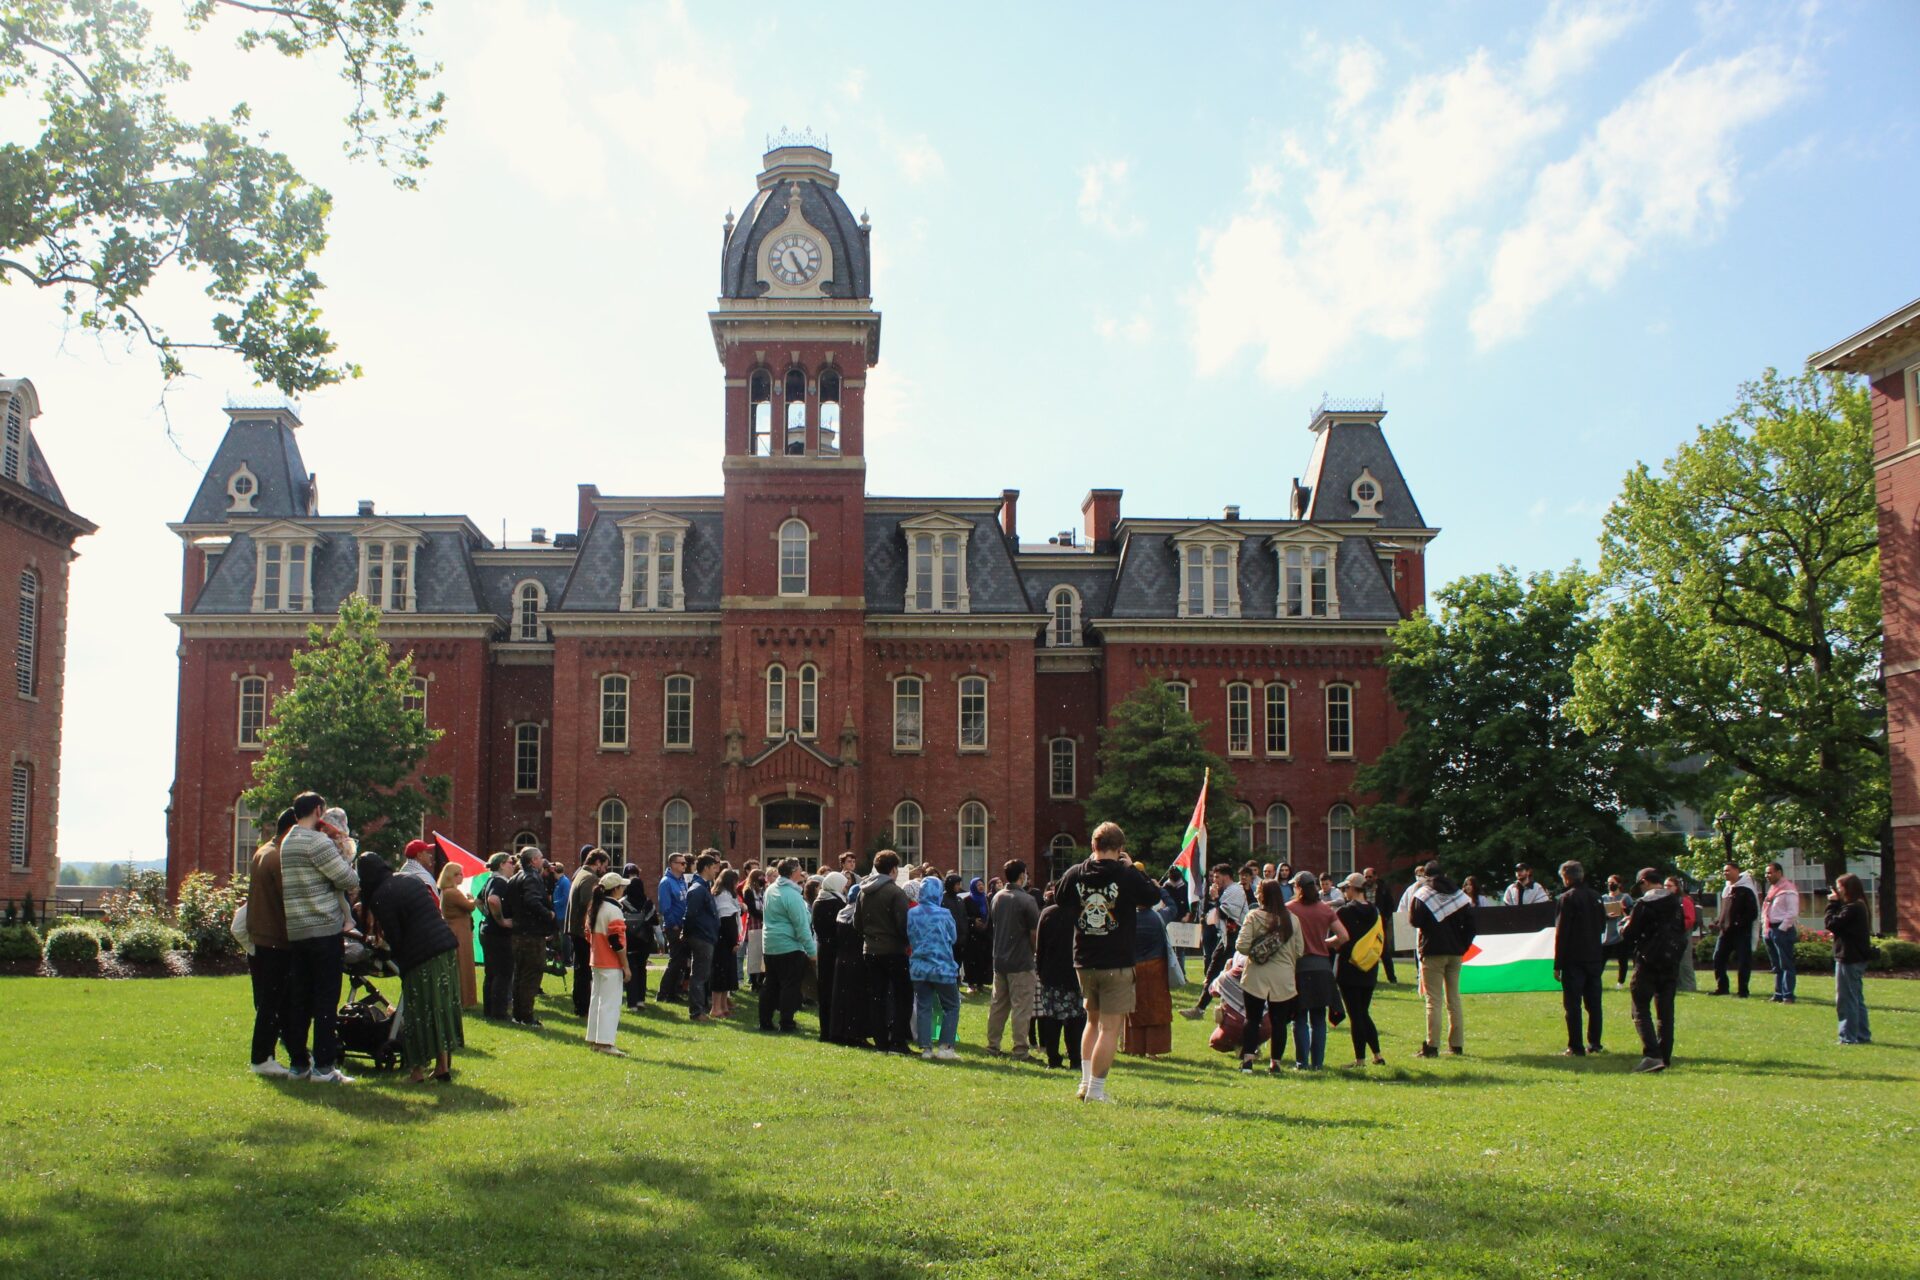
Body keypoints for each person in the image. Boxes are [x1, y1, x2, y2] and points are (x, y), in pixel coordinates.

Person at [1053, 822, 1162, 1102]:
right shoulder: (1126, 875)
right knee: (1110, 1028)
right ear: (1121, 848)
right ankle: (1097, 1091)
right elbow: (1152, 896)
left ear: (1093, 846)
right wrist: (1136, 870)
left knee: (1092, 1021)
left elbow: (1059, 897)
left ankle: (1084, 1083)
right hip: (1116, 961)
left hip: (1084, 960)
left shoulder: (1076, 872)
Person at [356, 851, 463, 1082]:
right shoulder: (407, 880)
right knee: (440, 1008)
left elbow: (395, 936)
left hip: (422, 956)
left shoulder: (380, 895)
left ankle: (417, 1071)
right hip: (445, 948)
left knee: (419, 1011)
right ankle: (442, 1067)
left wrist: (386, 949)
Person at [280, 792, 361, 1084]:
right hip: (324, 929)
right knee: (326, 1000)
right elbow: (349, 880)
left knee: (300, 1000)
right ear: (318, 810)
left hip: (297, 930)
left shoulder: (287, 842)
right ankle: (324, 1067)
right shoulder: (318, 842)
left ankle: (298, 1064)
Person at [244, 808, 300, 1077]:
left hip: (262, 938)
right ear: (291, 829)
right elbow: (288, 899)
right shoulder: (278, 858)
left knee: (274, 1001)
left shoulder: (264, 851)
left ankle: (286, 1054)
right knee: (273, 1001)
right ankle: (262, 1058)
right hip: (276, 939)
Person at [1619, 866, 1686, 1072]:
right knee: (1666, 1011)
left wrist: (1624, 924)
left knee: (1639, 1008)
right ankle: (1664, 1056)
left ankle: (1652, 1055)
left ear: (1644, 882)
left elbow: (1630, 934)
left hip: (1647, 961)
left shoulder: (1644, 904)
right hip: (1671, 962)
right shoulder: (1675, 903)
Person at [1235, 879, 1305, 1073]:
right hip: (1283, 978)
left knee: (1252, 1018)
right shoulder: (1292, 919)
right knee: (1279, 1022)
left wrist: (1258, 950)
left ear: (1262, 895)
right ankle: (1276, 1063)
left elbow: (1241, 946)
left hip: (1256, 975)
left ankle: (1248, 1060)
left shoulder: (1254, 916)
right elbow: (1300, 950)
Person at [1409, 860, 1474, 1058]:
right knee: (1454, 999)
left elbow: (1414, 921)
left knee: (1433, 1001)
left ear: (1426, 876)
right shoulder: (1459, 895)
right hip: (1455, 953)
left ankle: (1432, 1046)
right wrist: (1462, 946)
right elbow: (1472, 926)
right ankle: (1456, 1045)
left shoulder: (1423, 894)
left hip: (1432, 951)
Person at [1284, 870, 1349, 1070]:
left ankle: (1301, 1062)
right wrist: (1324, 944)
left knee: (1299, 1018)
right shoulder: (1325, 909)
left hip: (1299, 967)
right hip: (1322, 968)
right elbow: (1344, 936)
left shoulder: (1289, 908)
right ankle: (1318, 1063)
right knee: (1319, 1019)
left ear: (1298, 888)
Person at [857, 850, 913, 1053]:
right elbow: (902, 924)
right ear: (893, 870)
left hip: (870, 950)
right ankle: (898, 1040)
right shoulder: (895, 892)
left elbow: (858, 922)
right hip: (893, 950)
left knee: (877, 997)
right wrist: (906, 941)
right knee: (903, 996)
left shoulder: (863, 890)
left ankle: (880, 1042)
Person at [987, 860, 1041, 1060]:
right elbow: (1034, 933)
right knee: (1021, 1007)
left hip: (999, 959)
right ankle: (1020, 1049)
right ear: (1021, 875)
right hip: (1021, 960)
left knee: (998, 1005)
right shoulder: (1027, 900)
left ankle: (992, 1046)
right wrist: (1036, 953)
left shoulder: (997, 897)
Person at [1553, 860, 1606, 1057]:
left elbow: (1562, 932)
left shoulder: (1567, 898)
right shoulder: (1596, 897)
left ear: (1566, 877)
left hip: (1573, 958)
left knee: (1573, 1004)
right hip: (1594, 955)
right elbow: (1602, 925)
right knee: (1594, 1003)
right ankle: (1595, 1043)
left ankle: (1575, 1046)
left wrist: (1558, 963)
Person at [907, 874, 962, 1059]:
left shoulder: (912, 913)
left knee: (924, 1006)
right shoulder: (944, 914)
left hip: (919, 967)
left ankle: (926, 1048)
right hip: (942, 967)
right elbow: (953, 938)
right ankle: (946, 1047)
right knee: (952, 1005)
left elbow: (908, 936)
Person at [760, 858, 816, 1033]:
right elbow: (801, 926)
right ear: (793, 872)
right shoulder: (792, 895)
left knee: (771, 984)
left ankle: (765, 1021)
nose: (801, 871)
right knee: (789, 986)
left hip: (770, 944)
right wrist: (812, 951)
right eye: (799, 868)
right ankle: (786, 1023)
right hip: (789, 946)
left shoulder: (771, 890)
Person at [1335, 872, 1385, 1066]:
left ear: (1352, 889)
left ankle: (1360, 1060)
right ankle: (1377, 1055)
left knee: (1356, 1014)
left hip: (1349, 967)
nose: (1344, 892)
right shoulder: (1375, 911)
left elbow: (1340, 940)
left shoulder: (1344, 912)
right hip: (1370, 967)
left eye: (1345, 888)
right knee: (1363, 1012)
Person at [1183, 865, 1247, 1018]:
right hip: (1226, 938)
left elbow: (1228, 914)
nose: (1214, 880)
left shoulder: (1235, 891)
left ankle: (1212, 1009)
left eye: (1217, 877)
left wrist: (1216, 898)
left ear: (1226, 876)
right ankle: (1201, 1008)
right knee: (1213, 970)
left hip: (1235, 940)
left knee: (1225, 974)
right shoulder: (1228, 891)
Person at [504, 847, 556, 1027]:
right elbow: (532, 900)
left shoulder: (514, 878)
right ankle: (526, 1016)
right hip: (531, 934)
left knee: (519, 975)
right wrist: (547, 914)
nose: (543, 861)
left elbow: (508, 905)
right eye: (541, 858)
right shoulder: (531, 877)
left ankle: (518, 1015)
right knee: (531, 975)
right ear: (533, 860)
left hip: (518, 932)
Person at [1035, 893, 1085, 1070]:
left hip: (1051, 972)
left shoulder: (1048, 913)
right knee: (1076, 1020)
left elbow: (1039, 945)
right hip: (1075, 973)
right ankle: (1076, 1059)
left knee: (1051, 1019)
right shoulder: (1081, 913)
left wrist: (1040, 970)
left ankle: (1053, 1059)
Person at [583, 871, 630, 1055]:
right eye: (621, 886)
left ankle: (595, 1039)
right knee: (610, 1003)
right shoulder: (614, 910)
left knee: (597, 1001)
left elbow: (588, 935)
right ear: (616, 889)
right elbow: (617, 942)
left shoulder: (595, 906)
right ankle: (605, 1043)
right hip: (610, 962)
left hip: (596, 960)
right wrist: (625, 965)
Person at [1125, 895, 1176, 1057]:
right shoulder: (1159, 916)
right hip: (1156, 967)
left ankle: (1135, 1048)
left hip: (1135, 966)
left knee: (1135, 1007)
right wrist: (1161, 890)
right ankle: (1154, 1049)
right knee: (1157, 1008)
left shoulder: (1128, 918)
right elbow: (1173, 907)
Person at [1826, 873, 1874, 1045]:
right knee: (1856, 997)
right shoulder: (1859, 906)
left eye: (1840, 888)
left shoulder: (1852, 908)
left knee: (1846, 999)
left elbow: (1831, 923)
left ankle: (1848, 1037)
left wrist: (1832, 904)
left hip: (1849, 957)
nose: (1838, 891)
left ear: (1848, 889)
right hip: (1856, 957)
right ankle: (1862, 1034)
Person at [566, 848, 611, 1018]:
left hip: (577, 929)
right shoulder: (589, 878)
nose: (604, 870)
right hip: (582, 931)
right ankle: (583, 1008)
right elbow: (589, 903)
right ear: (597, 862)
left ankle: (581, 1005)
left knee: (581, 970)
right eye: (604, 866)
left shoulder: (580, 874)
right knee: (584, 971)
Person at [828, 880, 870, 1046]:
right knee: (856, 999)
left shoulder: (842, 912)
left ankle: (839, 1031)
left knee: (841, 998)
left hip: (842, 959)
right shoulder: (859, 914)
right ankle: (855, 1034)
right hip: (857, 959)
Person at [1709, 864, 1759, 998]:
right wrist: (1718, 922)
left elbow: (1752, 913)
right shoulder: (1727, 889)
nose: (1725, 873)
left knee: (1743, 961)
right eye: (1724, 871)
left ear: (1737, 871)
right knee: (1718, 958)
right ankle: (1722, 987)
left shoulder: (1746, 890)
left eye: (1728, 870)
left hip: (1741, 933)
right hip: (1725, 933)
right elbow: (1725, 911)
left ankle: (1743, 991)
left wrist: (1737, 923)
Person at [682, 851, 720, 1023]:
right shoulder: (698, 889)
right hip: (701, 937)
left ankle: (700, 1009)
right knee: (699, 976)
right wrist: (690, 933)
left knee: (702, 975)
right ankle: (697, 1012)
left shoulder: (703, 887)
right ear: (705, 868)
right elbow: (690, 915)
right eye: (713, 868)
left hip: (706, 936)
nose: (716, 871)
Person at [812, 871, 848, 1041]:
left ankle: (825, 1030)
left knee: (824, 991)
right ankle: (835, 1030)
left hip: (823, 948)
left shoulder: (819, 900)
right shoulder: (836, 903)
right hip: (834, 950)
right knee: (834, 991)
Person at [437, 861, 479, 1009]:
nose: (462, 876)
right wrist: (472, 898)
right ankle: (465, 999)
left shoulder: (446, 891)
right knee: (463, 964)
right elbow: (470, 906)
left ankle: (463, 998)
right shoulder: (453, 892)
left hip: (456, 928)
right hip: (459, 930)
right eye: (460, 874)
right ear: (453, 876)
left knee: (460, 964)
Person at [480, 851, 516, 1019]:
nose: (513, 865)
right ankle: (499, 1013)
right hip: (498, 934)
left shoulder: (489, 880)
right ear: (501, 864)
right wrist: (501, 920)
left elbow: (479, 901)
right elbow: (493, 900)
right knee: (503, 973)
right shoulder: (500, 882)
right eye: (510, 862)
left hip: (488, 932)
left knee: (491, 973)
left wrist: (488, 916)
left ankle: (489, 1010)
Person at [619, 865, 657, 1009]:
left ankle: (632, 1003)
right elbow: (655, 921)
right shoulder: (647, 903)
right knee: (642, 969)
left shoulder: (622, 903)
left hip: (628, 940)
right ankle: (641, 1000)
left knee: (630, 970)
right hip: (644, 941)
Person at [1761, 862, 1800, 1004]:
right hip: (1770, 929)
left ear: (1779, 873)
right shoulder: (1773, 889)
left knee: (1786, 964)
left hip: (1782, 930)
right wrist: (1766, 929)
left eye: (1770, 873)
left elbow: (1792, 913)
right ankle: (1778, 993)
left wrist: (1781, 929)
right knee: (1776, 965)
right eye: (1766, 873)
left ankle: (1788, 995)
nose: (1767, 876)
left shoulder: (1788, 890)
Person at [657, 853, 691, 1003]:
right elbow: (665, 908)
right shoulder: (666, 882)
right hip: (673, 927)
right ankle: (663, 993)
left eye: (685, 863)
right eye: (682, 863)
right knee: (675, 960)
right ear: (673, 864)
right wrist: (674, 924)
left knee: (681, 961)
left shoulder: (682, 881)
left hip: (682, 925)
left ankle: (673, 992)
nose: (685, 866)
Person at [711, 868, 743, 1019]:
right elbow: (727, 921)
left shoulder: (727, 895)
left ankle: (723, 1005)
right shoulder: (723, 897)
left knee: (727, 975)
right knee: (720, 974)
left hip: (726, 940)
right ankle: (716, 1008)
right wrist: (734, 941)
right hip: (723, 941)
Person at [1364, 867, 1398, 984]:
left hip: (1379, 923)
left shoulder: (1383, 889)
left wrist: (1385, 917)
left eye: (1370, 876)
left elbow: (1390, 904)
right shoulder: (1362, 889)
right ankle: (1370, 978)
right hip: (1366, 924)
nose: (1368, 879)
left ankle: (1392, 978)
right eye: (1366, 877)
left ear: (1375, 877)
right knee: (1367, 951)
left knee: (1384, 951)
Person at [1666, 875, 1699, 993]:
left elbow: (1690, 919)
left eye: (1669, 886)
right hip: (1671, 935)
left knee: (1685, 962)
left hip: (1683, 933)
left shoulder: (1684, 900)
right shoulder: (1667, 901)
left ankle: (1689, 986)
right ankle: (1677, 985)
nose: (1666, 888)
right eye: (1665, 886)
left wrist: (1676, 926)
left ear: (1677, 887)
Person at [1602, 873, 1634, 988]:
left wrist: (1623, 908)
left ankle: (1620, 982)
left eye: (1613, 883)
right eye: (1608, 883)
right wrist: (1606, 915)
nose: (1610, 885)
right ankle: (1596, 979)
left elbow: (1632, 913)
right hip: (1607, 933)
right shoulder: (1604, 898)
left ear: (1619, 884)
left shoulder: (1625, 897)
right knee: (1602, 958)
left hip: (1620, 932)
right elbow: (1598, 914)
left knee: (1622, 959)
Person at [963, 876, 994, 991]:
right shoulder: (967, 900)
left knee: (984, 959)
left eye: (982, 884)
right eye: (978, 885)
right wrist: (973, 921)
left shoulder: (986, 899)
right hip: (972, 935)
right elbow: (963, 916)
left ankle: (981, 983)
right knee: (972, 959)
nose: (981, 886)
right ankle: (971, 983)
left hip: (985, 935)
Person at [741, 866, 767, 991]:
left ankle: (760, 980)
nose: (764, 879)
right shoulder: (748, 890)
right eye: (761, 877)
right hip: (754, 924)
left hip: (762, 924)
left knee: (762, 953)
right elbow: (752, 909)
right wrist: (765, 916)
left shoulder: (760, 890)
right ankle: (754, 982)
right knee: (754, 953)